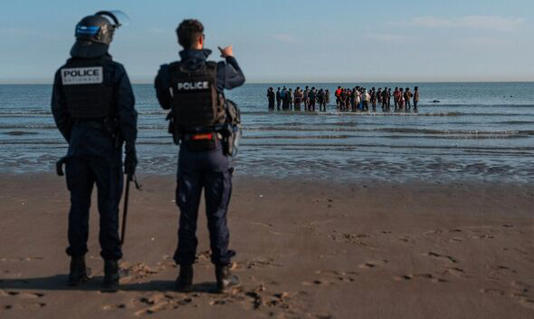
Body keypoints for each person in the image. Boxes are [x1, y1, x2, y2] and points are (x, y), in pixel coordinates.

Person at [154, 19, 245, 293]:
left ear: (180, 42)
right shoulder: (215, 70)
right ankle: (223, 276)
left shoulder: (169, 72)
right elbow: (239, 78)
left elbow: (164, 102)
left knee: (187, 215)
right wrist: (229, 56)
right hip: (215, 150)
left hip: (188, 151)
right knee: (217, 215)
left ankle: (185, 276)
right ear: (202, 40)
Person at [51, 11, 138, 292]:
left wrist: (75, 137)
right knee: (108, 209)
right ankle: (111, 271)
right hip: (107, 149)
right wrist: (130, 149)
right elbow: (127, 114)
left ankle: (76, 269)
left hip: (77, 148)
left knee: (78, 208)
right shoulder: (114, 71)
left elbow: (59, 112)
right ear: (104, 37)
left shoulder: (64, 72)